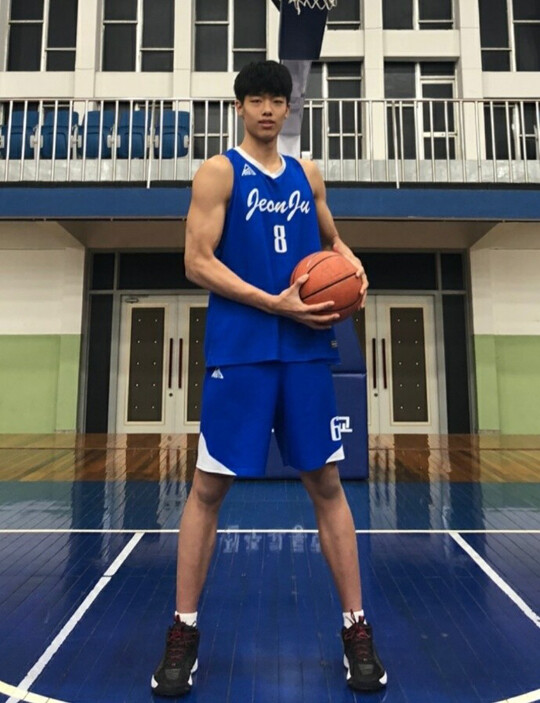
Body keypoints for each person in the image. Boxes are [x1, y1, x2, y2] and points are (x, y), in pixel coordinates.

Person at [151, 60, 387, 697]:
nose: (265, 110)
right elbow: (196, 261)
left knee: (327, 485)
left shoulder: (309, 175)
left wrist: (352, 265)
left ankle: (357, 629)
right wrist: (273, 302)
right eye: (254, 99)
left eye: (276, 101)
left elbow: (333, 242)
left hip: (306, 352)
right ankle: (183, 631)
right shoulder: (219, 172)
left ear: (288, 109)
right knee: (208, 489)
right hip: (242, 351)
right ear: (239, 108)